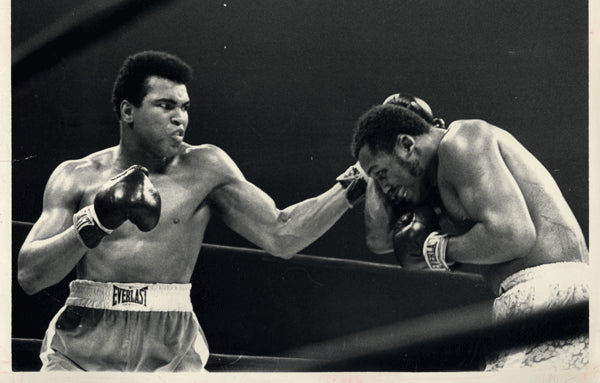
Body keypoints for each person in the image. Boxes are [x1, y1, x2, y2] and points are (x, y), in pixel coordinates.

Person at [17, 50, 366, 372]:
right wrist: (95, 220)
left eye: (184, 107)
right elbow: (31, 276)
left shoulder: (206, 167)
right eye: (166, 106)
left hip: (171, 340)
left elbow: (281, 234)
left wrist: (359, 179)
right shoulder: (75, 176)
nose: (179, 119)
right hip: (83, 340)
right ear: (128, 111)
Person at [350, 98, 590, 370]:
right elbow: (380, 241)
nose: (385, 186)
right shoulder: (439, 177)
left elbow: (513, 236)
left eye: (382, 174)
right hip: (538, 296)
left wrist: (436, 250)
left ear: (406, 144)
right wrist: (368, 167)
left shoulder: (462, 141)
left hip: (548, 292)